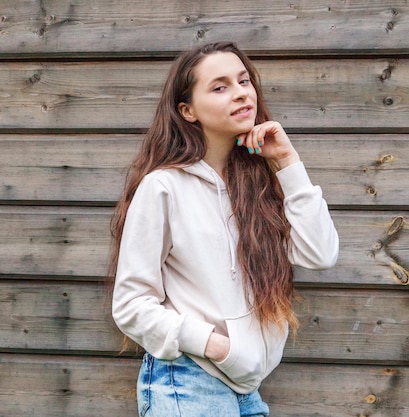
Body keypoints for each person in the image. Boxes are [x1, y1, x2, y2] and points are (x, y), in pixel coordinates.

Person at [109, 42, 339, 417]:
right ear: (188, 111)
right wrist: (218, 347)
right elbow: (131, 305)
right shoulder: (164, 187)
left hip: (246, 391)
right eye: (220, 87)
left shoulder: (259, 183)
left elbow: (320, 254)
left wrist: (287, 162)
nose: (241, 93)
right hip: (187, 380)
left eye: (243, 80)